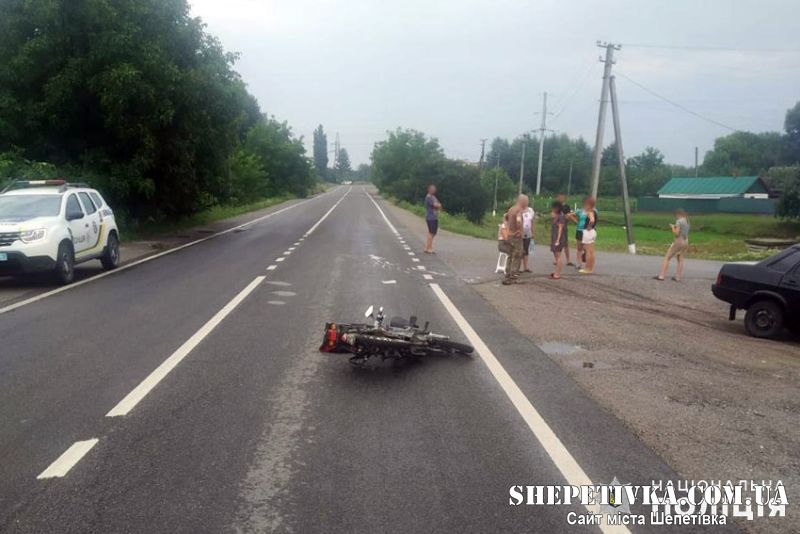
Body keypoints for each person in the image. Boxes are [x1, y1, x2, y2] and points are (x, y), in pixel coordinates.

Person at [656, 208, 690, 282]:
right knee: (680, 259)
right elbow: (683, 231)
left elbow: (676, 233)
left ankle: (661, 275)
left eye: (676, 215)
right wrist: (676, 227)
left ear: (678, 214)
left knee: (667, 257)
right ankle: (678, 277)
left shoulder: (679, 221)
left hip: (679, 241)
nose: (675, 217)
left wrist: (672, 228)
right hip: (686, 241)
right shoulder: (687, 221)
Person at [502, 195, 525, 285]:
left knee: (510, 255)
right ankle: (513, 276)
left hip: (510, 235)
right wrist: (519, 230)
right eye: (526, 201)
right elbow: (519, 220)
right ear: (522, 201)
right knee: (517, 255)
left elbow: (505, 217)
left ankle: (508, 273)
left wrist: (509, 229)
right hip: (516, 236)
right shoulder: (519, 210)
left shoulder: (511, 209)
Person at [578, 197, 598, 274]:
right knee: (592, 251)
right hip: (593, 232)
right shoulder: (594, 211)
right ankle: (591, 267)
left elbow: (592, 220)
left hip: (588, 232)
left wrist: (589, 226)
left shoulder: (590, 212)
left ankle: (587, 268)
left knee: (588, 251)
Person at [556, 193, 575, 267]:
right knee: (557, 243)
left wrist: (575, 222)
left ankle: (568, 260)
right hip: (557, 227)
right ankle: (557, 259)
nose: (560, 199)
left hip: (564, 227)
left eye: (561, 197)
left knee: (565, 244)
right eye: (559, 197)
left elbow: (569, 216)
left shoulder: (566, 207)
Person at [549, 201, 566, 280]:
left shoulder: (561, 216)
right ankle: (556, 271)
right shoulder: (556, 216)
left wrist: (558, 240)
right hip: (554, 237)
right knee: (556, 256)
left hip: (558, 238)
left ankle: (558, 273)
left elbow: (560, 228)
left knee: (558, 256)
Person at [424, 184, 442, 254]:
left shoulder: (433, 197)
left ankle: (427, 247)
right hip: (430, 217)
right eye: (432, 188)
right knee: (431, 232)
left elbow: (438, 204)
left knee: (433, 232)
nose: (433, 190)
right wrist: (438, 205)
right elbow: (435, 205)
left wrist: (438, 205)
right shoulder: (428, 197)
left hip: (434, 216)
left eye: (434, 188)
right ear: (429, 189)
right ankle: (429, 248)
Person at [521, 196, 535, 273]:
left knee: (526, 250)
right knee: (519, 250)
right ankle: (517, 267)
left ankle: (525, 267)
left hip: (528, 233)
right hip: (519, 233)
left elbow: (532, 222)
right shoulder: (518, 210)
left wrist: (533, 232)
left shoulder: (530, 210)